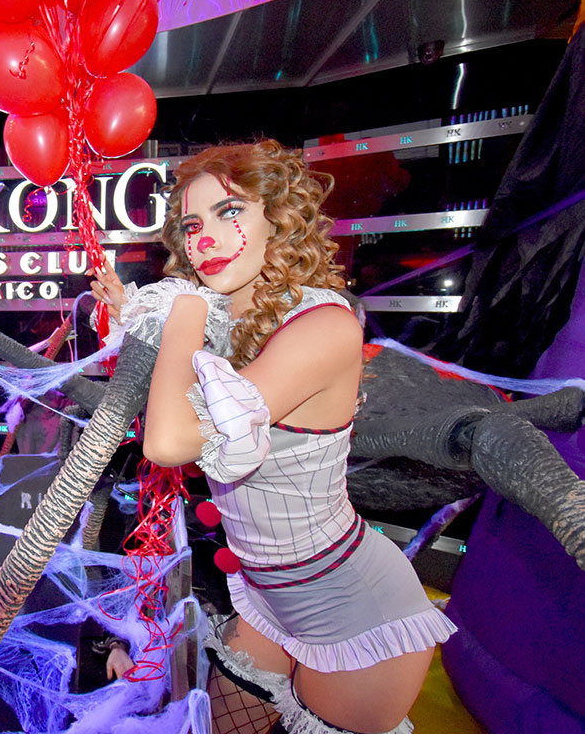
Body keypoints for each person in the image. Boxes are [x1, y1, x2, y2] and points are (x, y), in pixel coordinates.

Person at [92, 140, 455, 734]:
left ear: (279, 219)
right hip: (263, 598)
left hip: (352, 609)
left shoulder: (324, 324)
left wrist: (182, 310)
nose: (204, 238)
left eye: (230, 211)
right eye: (192, 224)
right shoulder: (227, 321)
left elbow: (167, 443)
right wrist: (146, 317)